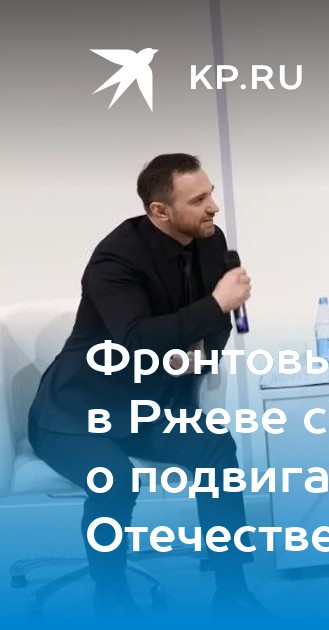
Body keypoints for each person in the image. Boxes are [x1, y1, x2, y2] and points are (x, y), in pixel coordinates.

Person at [27, 154, 268, 618]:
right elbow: (136, 337)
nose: (213, 207)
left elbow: (218, 325)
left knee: (217, 449)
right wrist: (216, 304)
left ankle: (232, 590)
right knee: (115, 478)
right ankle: (111, 595)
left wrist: (200, 353)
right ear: (160, 211)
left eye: (211, 193)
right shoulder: (114, 259)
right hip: (76, 412)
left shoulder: (211, 242)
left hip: (150, 407)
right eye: (198, 200)